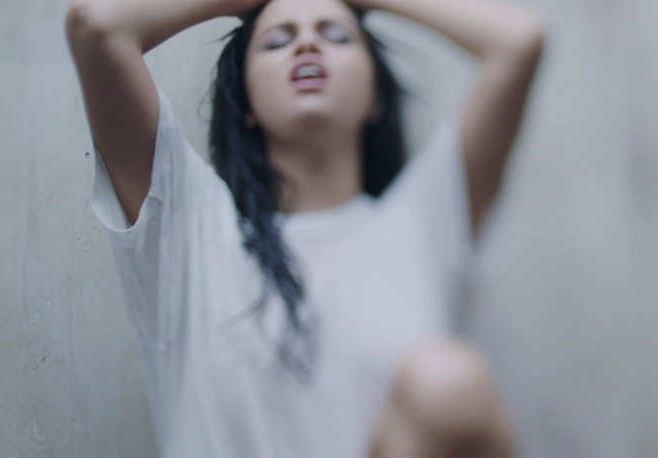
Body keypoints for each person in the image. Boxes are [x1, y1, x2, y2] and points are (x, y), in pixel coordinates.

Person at [64, 0, 545, 456]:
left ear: (375, 96)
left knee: (450, 384)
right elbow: (98, 28)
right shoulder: (189, 226)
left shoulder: (423, 220)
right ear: (247, 100)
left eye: (335, 35)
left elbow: (519, 43)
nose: (307, 44)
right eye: (277, 41)